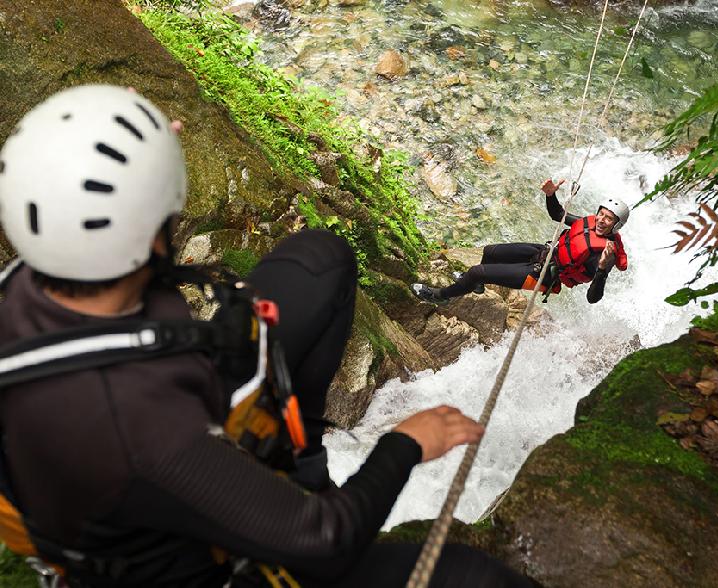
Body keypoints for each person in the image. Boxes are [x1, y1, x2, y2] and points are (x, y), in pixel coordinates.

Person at [0, 85, 532, 587]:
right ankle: (298, 492)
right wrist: (405, 443)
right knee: (472, 578)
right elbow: (328, 538)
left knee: (322, 262)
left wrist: (138, 159)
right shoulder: (144, 431)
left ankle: (301, 456)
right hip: (198, 556)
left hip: (165, 396)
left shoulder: (34, 276)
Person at [412, 179, 629, 305]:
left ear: (616, 225)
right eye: (601, 214)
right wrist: (550, 195)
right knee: (490, 252)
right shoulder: (589, 223)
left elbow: (593, 298)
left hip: (545, 276)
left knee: (477, 271)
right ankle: (473, 285)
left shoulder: (604, 255)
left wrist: (601, 269)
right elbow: (558, 214)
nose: (601, 220)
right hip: (544, 253)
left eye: (608, 218)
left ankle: (441, 296)